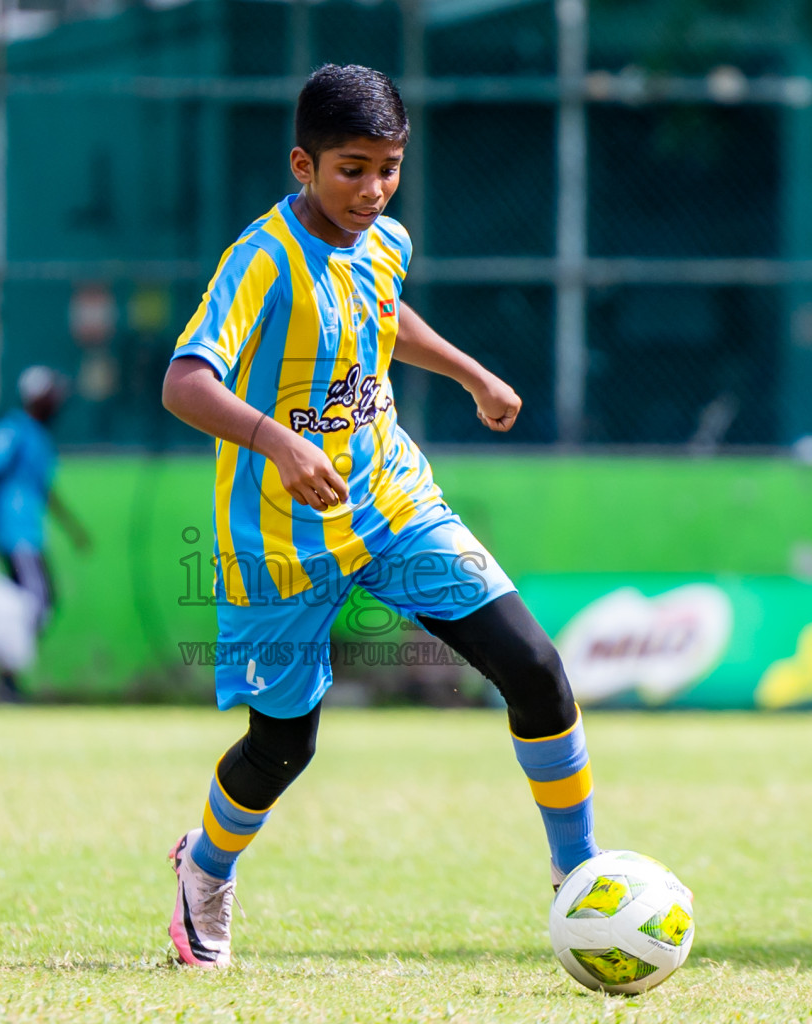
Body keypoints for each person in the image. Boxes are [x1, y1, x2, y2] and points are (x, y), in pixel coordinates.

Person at [158, 64, 599, 968]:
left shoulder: (385, 238)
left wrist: (471, 372)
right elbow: (184, 382)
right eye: (352, 169)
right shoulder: (261, 260)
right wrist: (276, 441)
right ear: (302, 164)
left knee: (536, 669)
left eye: (389, 167)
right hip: (280, 541)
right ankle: (204, 869)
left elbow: (382, 312)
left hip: (394, 505)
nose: (373, 189)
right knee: (283, 746)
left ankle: (584, 881)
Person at [0, 365, 93, 702]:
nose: (59, 401)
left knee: (32, 604)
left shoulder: (38, 437)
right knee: (37, 601)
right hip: (13, 534)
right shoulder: (13, 431)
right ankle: (3, 674)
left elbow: (44, 489)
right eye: (53, 394)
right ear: (38, 397)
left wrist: (73, 529)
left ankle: (6, 675)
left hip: (29, 534)